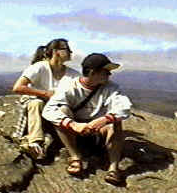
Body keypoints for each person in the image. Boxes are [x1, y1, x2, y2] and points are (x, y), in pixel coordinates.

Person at [42, 53, 132, 185]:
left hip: (97, 132)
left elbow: (124, 107)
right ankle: (75, 157)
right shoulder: (69, 86)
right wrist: (73, 125)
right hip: (73, 132)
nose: (109, 74)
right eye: (106, 71)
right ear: (92, 72)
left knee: (115, 122)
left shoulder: (111, 88)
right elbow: (49, 110)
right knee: (62, 110)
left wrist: (104, 120)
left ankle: (113, 168)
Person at [12, 38, 80, 160]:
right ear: (56, 52)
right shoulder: (39, 67)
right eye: (67, 49)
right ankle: (35, 143)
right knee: (36, 103)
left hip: (58, 110)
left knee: (64, 108)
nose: (71, 52)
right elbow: (18, 87)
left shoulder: (73, 74)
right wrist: (45, 94)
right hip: (39, 106)